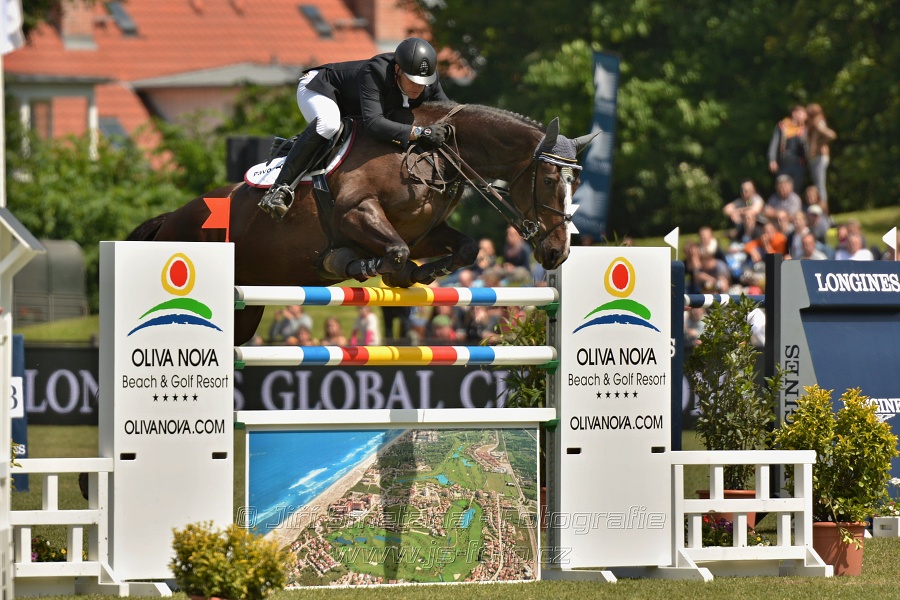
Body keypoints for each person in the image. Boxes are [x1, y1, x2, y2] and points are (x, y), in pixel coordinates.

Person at [258, 37, 450, 220]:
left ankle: (294, 148)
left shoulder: (428, 80)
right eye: (413, 80)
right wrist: (420, 132)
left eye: (423, 82)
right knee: (329, 123)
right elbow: (374, 123)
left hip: (351, 107)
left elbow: (449, 116)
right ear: (398, 69)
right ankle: (279, 189)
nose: (419, 87)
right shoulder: (375, 72)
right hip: (319, 88)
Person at [767, 104, 808, 191]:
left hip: (798, 163)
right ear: (794, 114)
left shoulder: (804, 129)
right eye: (802, 113)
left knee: (796, 189)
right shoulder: (783, 126)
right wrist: (772, 160)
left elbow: (806, 148)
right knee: (782, 189)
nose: (805, 116)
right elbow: (774, 143)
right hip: (783, 163)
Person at [805, 103, 837, 206]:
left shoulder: (819, 123)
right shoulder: (812, 124)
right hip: (814, 157)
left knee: (820, 185)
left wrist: (821, 143)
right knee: (817, 184)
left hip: (819, 157)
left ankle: (824, 209)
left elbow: (832, 135)